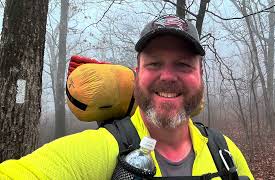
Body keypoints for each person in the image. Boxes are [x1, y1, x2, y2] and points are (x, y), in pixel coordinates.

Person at [0, 14, 253, 179]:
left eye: (183, 65)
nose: (167, 76)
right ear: (136, 75)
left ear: (200, 76)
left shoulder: (224, 151)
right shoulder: (103, 149)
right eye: (154, 64)